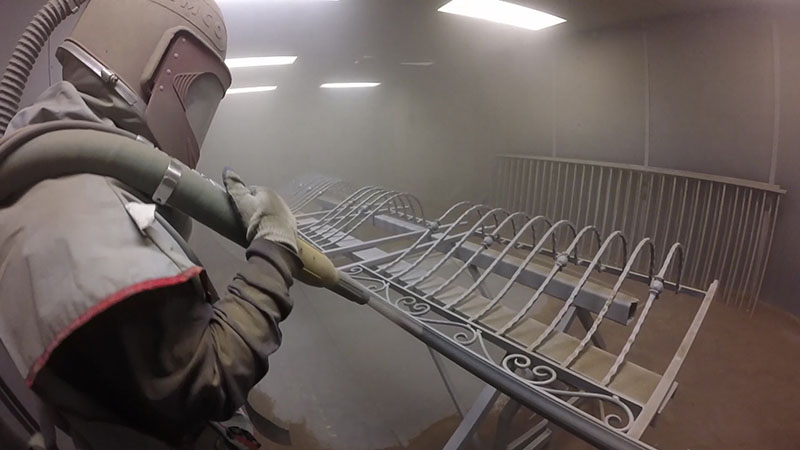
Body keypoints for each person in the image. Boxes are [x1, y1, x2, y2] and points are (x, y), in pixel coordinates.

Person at [0, 0, 300, 448]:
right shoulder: (80, 217)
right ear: (159, 69)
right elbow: (208, 379)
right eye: (196, 97)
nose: (196, 125)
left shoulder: (61, 180)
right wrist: (275, 254)